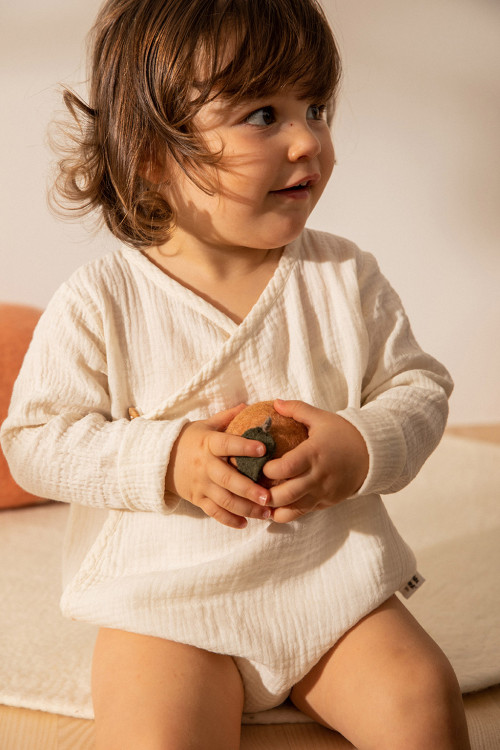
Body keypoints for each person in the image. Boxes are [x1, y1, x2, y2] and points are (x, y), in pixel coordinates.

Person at [1, 0, 471, 748]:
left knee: (423, 702)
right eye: (263, 114)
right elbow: (34, 439)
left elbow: (419, 390)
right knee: (156, 738)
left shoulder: (344, 277)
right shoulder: (102, 300)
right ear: (151, 152)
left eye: (316, 107)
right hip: (165, 605)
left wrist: (362, 443)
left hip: (329, 593)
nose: (307, 141)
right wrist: (167, 457)